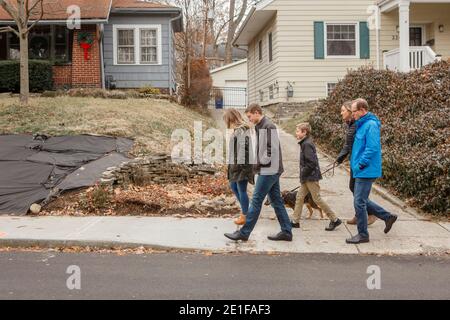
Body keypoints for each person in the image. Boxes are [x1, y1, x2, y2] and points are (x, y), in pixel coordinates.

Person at [224, 104, 292, 242]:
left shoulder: (269, 126)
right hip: (268, 169)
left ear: (256, 112)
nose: (248, 119)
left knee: (256, 200)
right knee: (276, 201)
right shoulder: (259, 126)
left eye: (249, 116)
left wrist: (257, 164)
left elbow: (271, 151)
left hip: (269, 170)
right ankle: (287, 231)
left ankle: (244, 233)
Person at [346, 99, 398, 244]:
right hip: (360, 169)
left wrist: (361, 164)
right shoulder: (361, 124)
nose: (353, 114)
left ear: (362, 110)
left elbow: (372, 148)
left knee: (359, 203)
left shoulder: (371, 125)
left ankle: (363, 235)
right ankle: (387, 217)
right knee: (362, 200)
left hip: (366, 169)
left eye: (354, 111)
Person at [291, 123, 342, 231]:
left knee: (316, 199)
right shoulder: (305, 142)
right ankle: (295, 221)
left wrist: (303, 173)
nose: (296, 133)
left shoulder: (307, 144)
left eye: (298, 131)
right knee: (299, 197)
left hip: (311, 177)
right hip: (308, 177)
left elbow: (311, 163)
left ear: (304, 132)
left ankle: (334, 219)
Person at [336, 101, 377, 226]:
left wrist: (359, 163)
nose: (341, 113)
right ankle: (360, 215)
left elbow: (357, 146)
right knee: (354, 189)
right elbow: (348, 145)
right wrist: (339, 158)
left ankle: (371, 214)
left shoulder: (358, 125)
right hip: (355, 162)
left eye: (343, 110)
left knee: (358, 193)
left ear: (350, 111)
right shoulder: (350, 124)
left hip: (360, 164)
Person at [223, 109, 255, 226]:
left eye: (226, 120)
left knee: (241, 189)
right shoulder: (238, 130)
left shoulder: (241, 131)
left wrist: (240, 166)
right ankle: (248, 210)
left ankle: (245, 215)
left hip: (242, 167)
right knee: (234, 186)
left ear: (231, 119)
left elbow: (244, 151)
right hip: (237, 166)